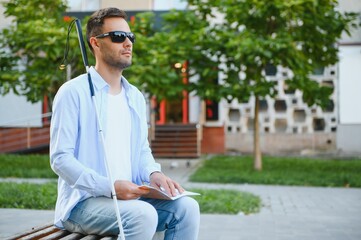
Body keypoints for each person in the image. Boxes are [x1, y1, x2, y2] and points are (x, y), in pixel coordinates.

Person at [50, 7, 200, 240]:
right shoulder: (73, 92)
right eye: (118, 37)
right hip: (83, 204)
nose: (128, 43)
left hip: (129, 199)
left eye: (130, 37)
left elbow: (141, 150)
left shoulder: (135, 96)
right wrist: (109, 187)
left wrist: (153, 174)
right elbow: (60, 160)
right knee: (143, 215)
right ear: (95, 43)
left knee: (187, 208)